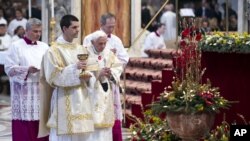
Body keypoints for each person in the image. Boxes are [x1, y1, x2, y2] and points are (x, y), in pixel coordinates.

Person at [38, 15, 122, 141]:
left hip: (83, 102)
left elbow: (93, 71)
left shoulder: (81, 48)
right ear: (65, 28)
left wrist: (99, 74)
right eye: (74, 27)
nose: (78, 30)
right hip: (64, 101)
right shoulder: (53, 51)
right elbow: (53, 77)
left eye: (78, 27)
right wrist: (74, 68)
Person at [83, 12, 129, 141]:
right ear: (101, 24)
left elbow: (124, 59)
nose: (111, 29)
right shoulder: (89, 39)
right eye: (109, 26)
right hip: (94, 85)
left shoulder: (116, 40)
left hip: (109, 82)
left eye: (113, 26)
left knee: (111, 113)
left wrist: (112, 64)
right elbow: (86, 59)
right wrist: (98, 71)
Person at [4, 18, 49, 141]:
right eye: (35, 31)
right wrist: (27, 69)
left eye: (40, 31)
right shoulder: (16, 46)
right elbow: (9, 68)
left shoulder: (44, 46)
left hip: (41, 90)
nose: (38, 34)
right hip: (23, 92)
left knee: (41, 122)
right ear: (26, 30)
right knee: (25, 126)